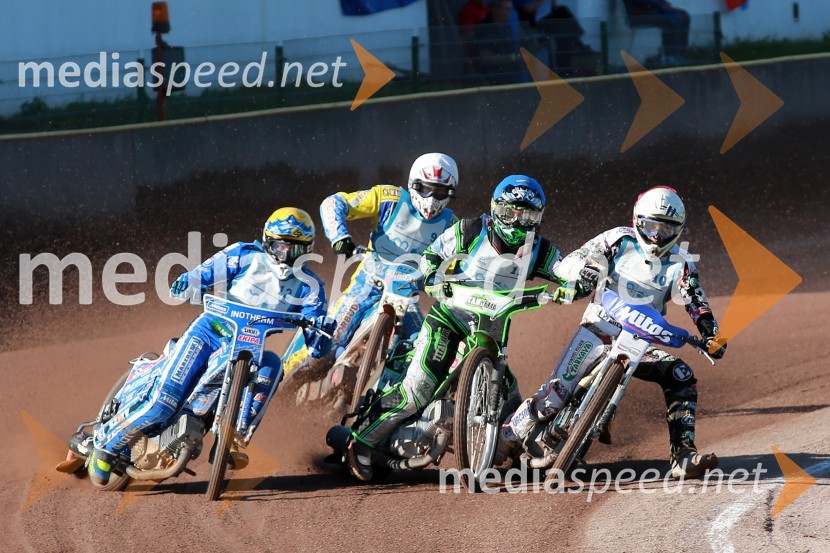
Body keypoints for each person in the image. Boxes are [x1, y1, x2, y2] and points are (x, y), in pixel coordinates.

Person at [346, 175, 589, 481]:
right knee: (417, 390)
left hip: (491, 334)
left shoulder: (540, 250)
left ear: (537, 218)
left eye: (524, 214)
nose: (515, 221)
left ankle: (533, 455)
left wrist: (582, 280)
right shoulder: (469, 230)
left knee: (513, 403)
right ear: (494, 209)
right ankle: (362, 440)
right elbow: (431, 256)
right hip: (449, 319)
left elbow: (567, 270)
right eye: (509, 212)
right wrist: (431, 275)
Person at [87, 208, 334, 485]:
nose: (286, 255)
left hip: (250, 348)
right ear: (267, 242)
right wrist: (188, 281)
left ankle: (234, 439)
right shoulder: (243, 254)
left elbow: (318, 346)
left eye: (296, 249)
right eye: (280, 246)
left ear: (308, 250)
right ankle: (105, 446)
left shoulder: (311, 287)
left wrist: (324, 332)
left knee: (273, 364)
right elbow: (201, 274)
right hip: (209, 332)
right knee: (163, 402)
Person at [501, 186, 726, 478]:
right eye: (650, 226)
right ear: (636, 220)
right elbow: (573, 258)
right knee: (554, 395)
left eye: (665, 228)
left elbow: (696, 300)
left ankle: (683, 454)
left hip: (640, 342)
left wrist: (711, 334)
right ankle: (506, 436)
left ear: (678, 230)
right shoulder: (618, 238)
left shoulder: (682, 263)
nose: (656, 236)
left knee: (680, 374)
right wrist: (584, 270)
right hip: (598, 328)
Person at [281, 153, 459, 401]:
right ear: (414, 185)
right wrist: (340, 238)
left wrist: (455, 282)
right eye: (427, 189)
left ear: (450, 193)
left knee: (425, 354)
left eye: (439, 192)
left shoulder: (452, 226)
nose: (431, 199)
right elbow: (334, 203)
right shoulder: (389, 198)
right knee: (324, 348)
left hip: (408, 299)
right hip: (367, 287)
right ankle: (279, 391)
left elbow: (459, 267)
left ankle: (394, 414)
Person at [623, 0, 691, 63]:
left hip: (654, 10)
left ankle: (679, 52)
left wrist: (664, 4)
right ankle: (669, 55)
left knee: (683, 15)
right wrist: (661, 4)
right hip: (639, 15)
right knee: (668, 21)